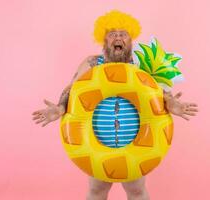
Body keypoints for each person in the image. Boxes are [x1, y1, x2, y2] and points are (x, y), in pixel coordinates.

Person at [32, 10, 198, 200]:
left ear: (130, 39)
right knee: (97, 191)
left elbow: (158, 91)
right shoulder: (92, 63)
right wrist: (60, 107)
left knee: (136, 191)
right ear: (104, 40)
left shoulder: (140, 64)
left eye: (123, 34)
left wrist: (172, 103)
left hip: (135, 142)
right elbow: (73, 88)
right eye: (112, 34)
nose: (118, 37)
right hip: (98, 141)